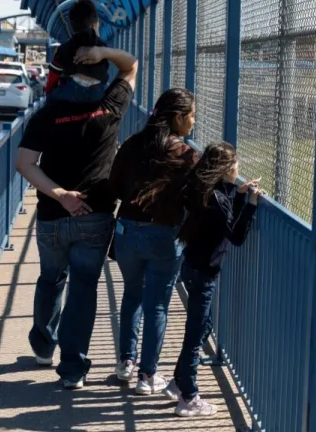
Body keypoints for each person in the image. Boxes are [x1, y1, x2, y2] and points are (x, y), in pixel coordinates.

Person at [15, 41, 138, 389]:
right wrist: (105, 52)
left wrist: (60, 195)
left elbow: (24, 164)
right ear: (101, 75)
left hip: (53, 215)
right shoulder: (111, 104)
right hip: (95, 215)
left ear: (66, 75)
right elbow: (131, 65)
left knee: (51, 278)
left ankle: (43, 344)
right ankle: (72, 370)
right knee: (83, 288)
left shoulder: (47, 112)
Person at [162, 142, 262, 416]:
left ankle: (178, 382)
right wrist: (251, 204)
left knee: (202, 327)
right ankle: (189, 398)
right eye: (236, 164)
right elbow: (236, 236)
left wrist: (237, 193)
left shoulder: (204, 190)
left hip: (192, 266)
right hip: (204, 272)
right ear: (227, 168)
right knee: (195, 337)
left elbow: (222, 215)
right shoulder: (217, 201)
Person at [109, 89, 198, 395]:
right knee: (157, 304)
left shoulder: (133, 144)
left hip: (127, 232)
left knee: (132, 293)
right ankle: (148, 377)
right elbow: (197, 197)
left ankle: (126, 362)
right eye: (192, 115)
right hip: (163, 236)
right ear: (178, 117)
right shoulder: (186, 155)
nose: (193, 122)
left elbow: (116, 187)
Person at [44, 0, 110, 104]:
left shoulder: (66, 47)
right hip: (97, 93)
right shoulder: (102, 47)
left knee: (51, 97)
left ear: (71, 26)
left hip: (73, 91)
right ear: (95, 24)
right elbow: (105, 70)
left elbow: (53, 75)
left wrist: (48, 91)